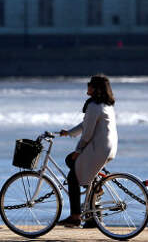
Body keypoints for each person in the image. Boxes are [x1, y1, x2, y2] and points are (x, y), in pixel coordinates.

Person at [57, 74, 118, 227]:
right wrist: (69, 133)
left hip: (98, 148)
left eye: (90, 85)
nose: (87, 88)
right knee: (71, 162)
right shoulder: (105, 105)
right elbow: (85, 124)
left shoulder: (93, 106)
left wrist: (78, 150)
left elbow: (88, 133)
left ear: (95, 88)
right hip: (108, 148)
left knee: (73, 176)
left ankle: (75, 216)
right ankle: (93, 204)